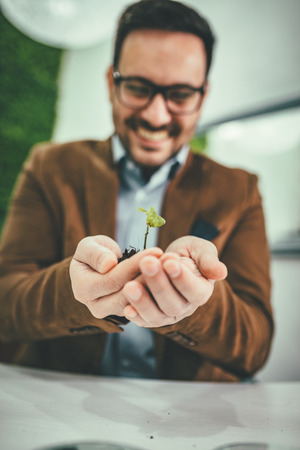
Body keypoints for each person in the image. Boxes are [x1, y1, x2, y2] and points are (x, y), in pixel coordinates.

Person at [0, 0, 273, 382]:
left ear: (203, 96)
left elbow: (255, 344)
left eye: (179, 94)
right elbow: (5, 305)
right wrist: (74, 293)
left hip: (183, 421)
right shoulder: (51, 167)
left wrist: (195, 302)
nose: (156, 116)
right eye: (139, 87)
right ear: (112, 82)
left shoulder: (239, 190)